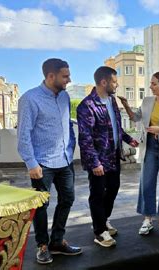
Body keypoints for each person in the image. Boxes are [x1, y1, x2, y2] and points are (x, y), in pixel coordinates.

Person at [17, 58, 82, 264]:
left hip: (64, 161)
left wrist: (70, 149)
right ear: (50, 76)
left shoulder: (64, 97)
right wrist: (31, 163)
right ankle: (42, 246)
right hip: (42, 164)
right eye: (65, 76)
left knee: (67, 199)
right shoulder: (30, 99)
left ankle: (57, 241)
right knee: (41, 207)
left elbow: (66, 126)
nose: (69, 80)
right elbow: (23, 135)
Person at [77, 66, 139, 247]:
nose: (117, 84)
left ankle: (103, 220)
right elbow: (85, 138)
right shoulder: (86, 106)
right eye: (114, 81)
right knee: (97, 194)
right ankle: (99, 231)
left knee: (113, 188)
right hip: (98, 161)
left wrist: (128, 139)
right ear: (103, 82)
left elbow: (116, 127)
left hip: (113, 157)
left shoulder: (112, 101)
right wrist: (95, 163)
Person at [119, 72, 159, 235]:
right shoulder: (147, 101)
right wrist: (127, 105)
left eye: (154, 83)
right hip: (149, 145)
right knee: (146, 183)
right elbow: (135, 118)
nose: (151, 86)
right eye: (151, 83)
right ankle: (147, 219)